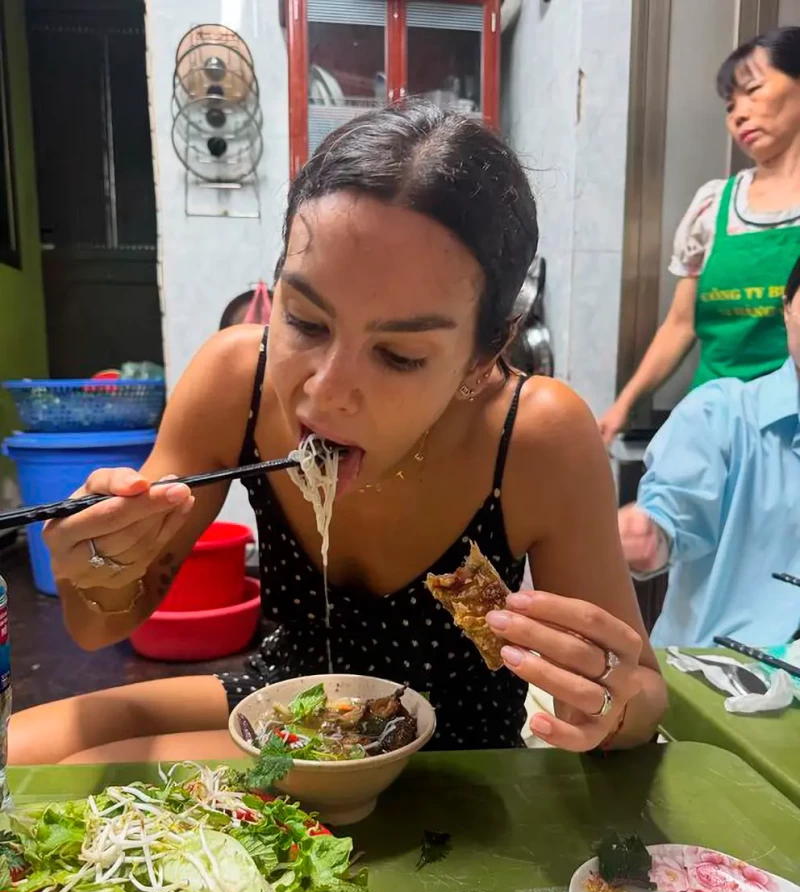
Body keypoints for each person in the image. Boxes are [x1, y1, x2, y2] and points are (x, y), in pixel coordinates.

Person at [10, 100, 666, 766]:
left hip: (453, 764)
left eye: (399, 355)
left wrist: (608, 702)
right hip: (286, 704)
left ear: (483, 351)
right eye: (306, 321)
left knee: (85, 773)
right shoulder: (238, 378)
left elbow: (641, 695)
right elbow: (98, 628)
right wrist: (100, 564)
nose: (325, 392)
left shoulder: (534, 437)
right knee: (21, 749)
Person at [599, 26, 800, 446]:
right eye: (730, 106)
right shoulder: (713, 207)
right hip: (713, 426)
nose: (738, 115)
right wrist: (623, 406)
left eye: (753, 90)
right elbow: (680, 324)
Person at [618, 253, 800, 648]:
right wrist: (650, 533)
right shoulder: (722, 415)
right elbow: (672, 515)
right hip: (712, 685)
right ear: (786, 309)